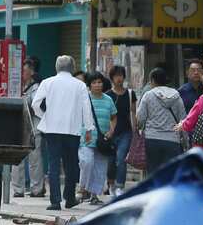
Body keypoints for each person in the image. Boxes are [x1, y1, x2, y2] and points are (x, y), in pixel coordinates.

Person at [31, 55, 91, 210]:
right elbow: (87, 108)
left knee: (53, 165)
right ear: (72, 68)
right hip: (73, 130)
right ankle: (70, 198)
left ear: (56, 67)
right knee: (71, 165)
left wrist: (44, 117)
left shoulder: (47, 82)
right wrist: (89, 128)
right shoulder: (80, 85)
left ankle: (55, 201)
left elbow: (35, 104)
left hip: (52, 130)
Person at [136, 67, 188, 173]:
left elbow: (140, 118)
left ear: (152, 80)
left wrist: (141, 128)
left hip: (152, 139)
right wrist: (186, 141)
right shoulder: (176, 96)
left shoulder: (148, 95)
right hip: (172, 140)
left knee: (153, 172)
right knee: (170, 174)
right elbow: (183, 120)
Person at [81, 72, 116, 206]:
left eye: (99, 82)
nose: (97, 85)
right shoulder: (85, 99)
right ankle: (82, 189)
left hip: (103, 141)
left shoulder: (108, 100)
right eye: (94, 82)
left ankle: (94, 195)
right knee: (87, 162)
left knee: (100, 168)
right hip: (87, 138)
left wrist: (111, 130)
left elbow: (114, 117)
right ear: (89, 85)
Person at [13, 56, 44, 198]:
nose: (22, 73)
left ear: (31, 72)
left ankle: (36, 188)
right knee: (17, 159)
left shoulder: (37, 88)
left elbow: (34, 106)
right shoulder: (18, 86)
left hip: (34, 127)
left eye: (24, 70)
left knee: (35, 160)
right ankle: (18, 189)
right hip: (19, 126)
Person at [104, 65, 136, 196]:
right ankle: (110, 184)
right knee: (111, 161)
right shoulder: (107, 95)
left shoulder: (130, 94)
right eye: (116, 76)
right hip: (111, 132)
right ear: (112, 78)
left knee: (121, 157)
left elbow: (133, 113)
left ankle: (120, 185)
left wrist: (135, 131)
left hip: (126, 132)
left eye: (121, 75)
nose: (119, 78)